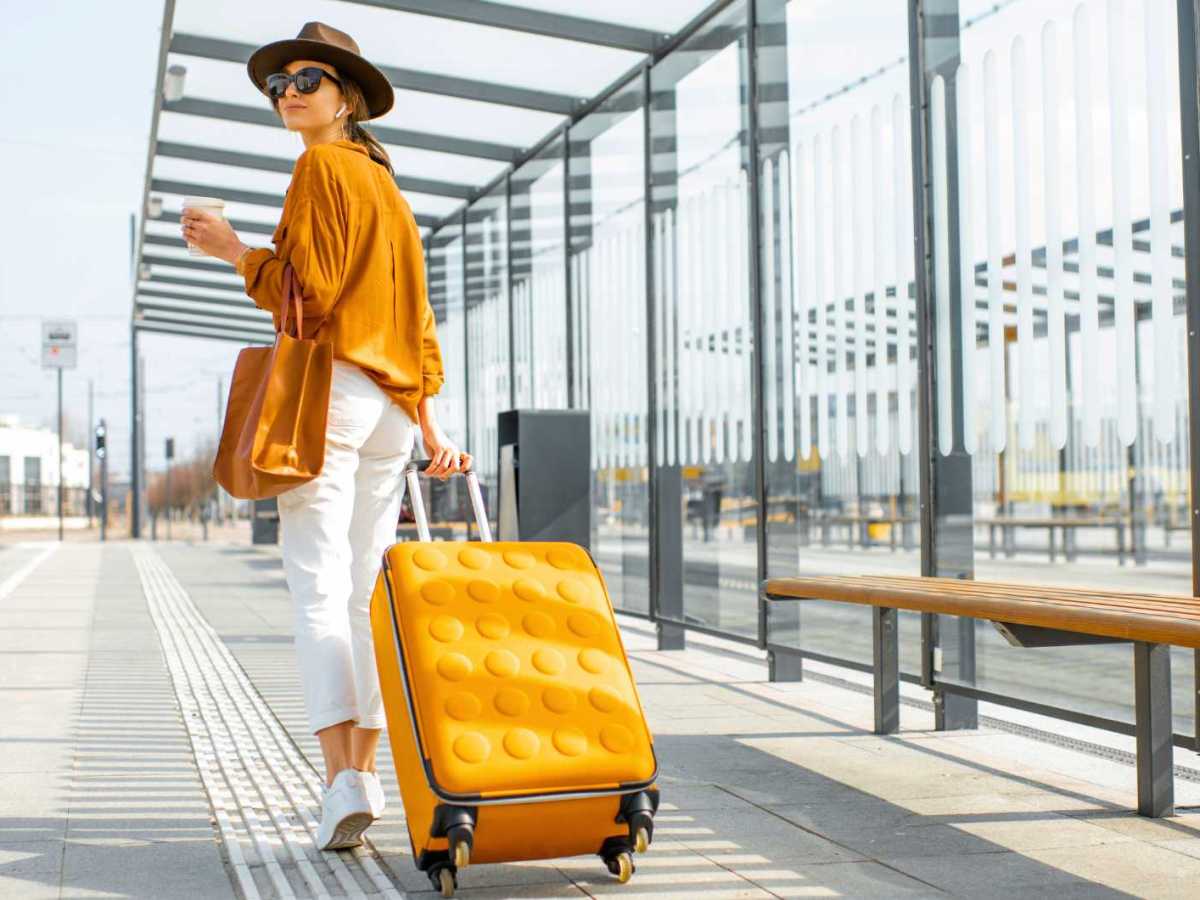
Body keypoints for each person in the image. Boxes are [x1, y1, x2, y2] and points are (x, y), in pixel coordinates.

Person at [180, 21, 472, 851]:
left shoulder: (320, 168)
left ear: (345, 99)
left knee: (316, 588)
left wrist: (236, 251)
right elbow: (418, 324)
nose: (289, 94)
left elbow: (304, 299)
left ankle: (341, 781)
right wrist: (429, 423)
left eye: (307, 79)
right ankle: (366, 778)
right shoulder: (392, 194)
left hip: (335, 393)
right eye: (280, 85)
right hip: (388, 411)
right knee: (362, 594)